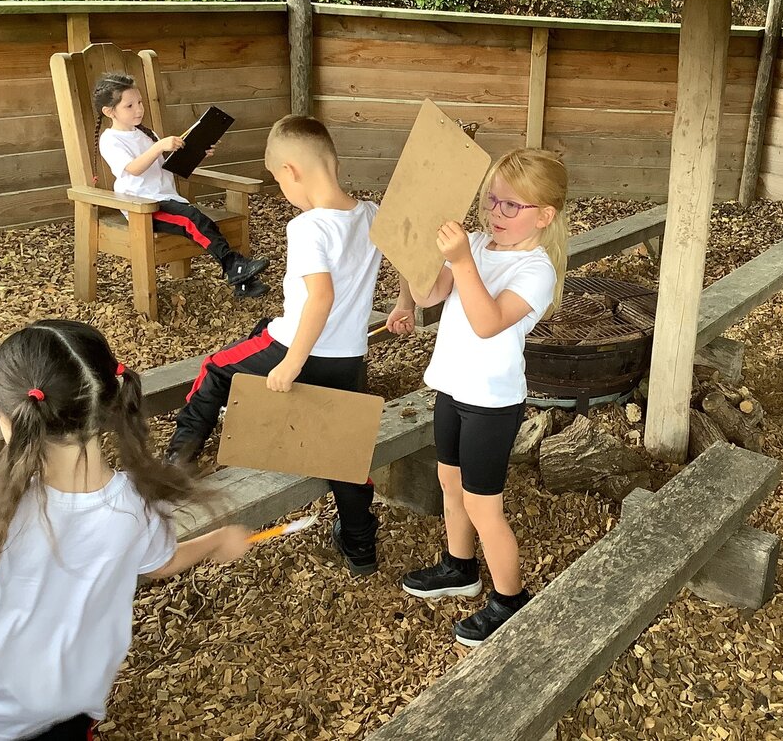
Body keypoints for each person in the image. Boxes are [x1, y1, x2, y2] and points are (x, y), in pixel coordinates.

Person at [0, 319, 253, 741]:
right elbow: (161, 562)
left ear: (10, 420)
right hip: (73, 702)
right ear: (107, 403)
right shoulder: (138, 503)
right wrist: (216, 540)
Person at [164, 115, 385, 576]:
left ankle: (176, 468)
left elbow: (320, 297)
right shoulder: (371, 214)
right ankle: (360, 546)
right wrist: (403, 303)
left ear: (291, 171)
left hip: (295, 347)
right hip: (348, 358)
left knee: (215, 370)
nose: (284, 192)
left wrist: (291, 363)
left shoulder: (308, 227)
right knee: (342, 452)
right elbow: (407, 256)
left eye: (280, 183)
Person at [387, 148, 568, 645]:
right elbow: (430, 294)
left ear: (544, 216)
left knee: (483, 505)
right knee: (449, 482)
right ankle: (459, 567)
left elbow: (488, 322)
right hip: (451, 386)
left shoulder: (536, 270)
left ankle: (510, 600)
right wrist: (414, 254)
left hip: (492, 402)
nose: (495, 213)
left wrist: (462, 259)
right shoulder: (478, 243)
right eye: (491, 201)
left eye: (511, 205)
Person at [93, 72, 269, 296]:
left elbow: (170, 166)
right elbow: (133, 168)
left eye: (140, 102)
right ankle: (234, 266)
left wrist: (198, 152)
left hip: (168, 200)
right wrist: (159, 146)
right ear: (109, 112)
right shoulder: (111, 140)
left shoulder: (146, 134)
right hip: (143, 206)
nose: (138, 109)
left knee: (200, 221)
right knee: (192, 219)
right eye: (129, 106)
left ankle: (244, 282)